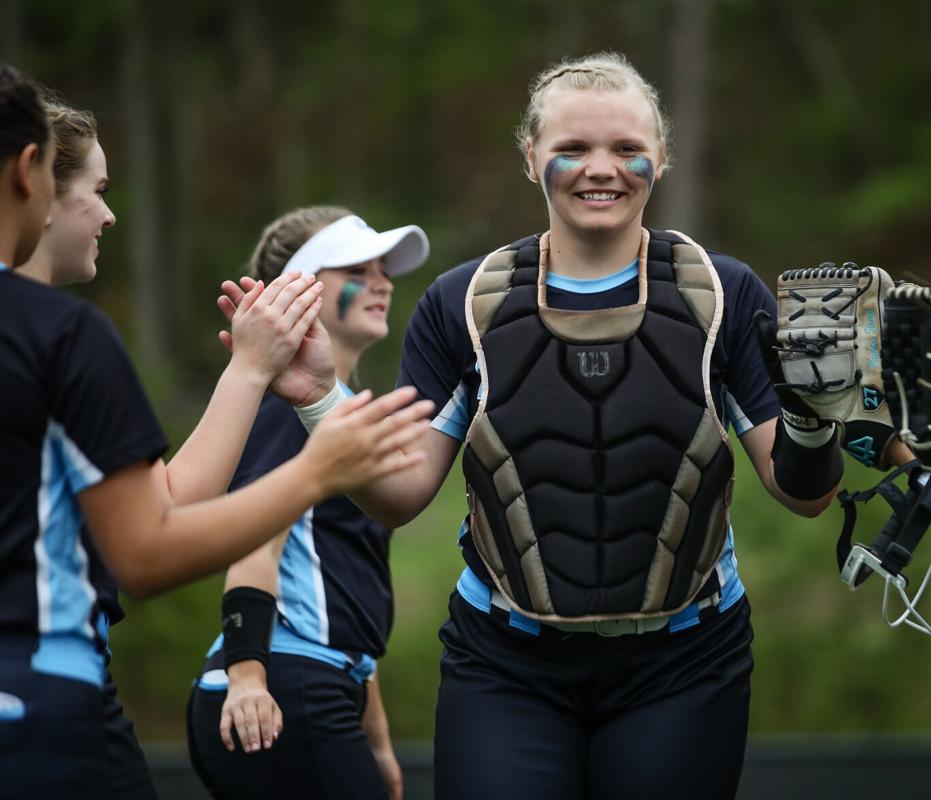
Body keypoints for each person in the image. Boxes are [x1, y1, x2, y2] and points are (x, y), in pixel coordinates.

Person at [259, 52, 844, 799]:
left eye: (627, 148)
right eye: (573, 148)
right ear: (531, 157)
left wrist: (816, 415)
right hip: (507, 662)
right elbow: (400, 494)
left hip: (685, 660)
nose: (602, 168)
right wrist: (316, 394)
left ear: (660, 158)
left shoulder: (720, 293)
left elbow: (803, 492)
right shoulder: (462, 303)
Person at [0, 65, 432, 797]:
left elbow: (165, 498)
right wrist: (317, 471)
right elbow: (153, 544)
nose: (110, 215)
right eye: (100, 192)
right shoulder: (63, 337)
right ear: (30, 169)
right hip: (44, 695)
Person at [187, 206, 429, 800]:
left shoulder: (337, 410)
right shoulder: (284, 402)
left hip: (320, 683)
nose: (383, 282)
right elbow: (253, 543)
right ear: (300, 290)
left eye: (383, 270)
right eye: (358, 269)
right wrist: (247, 677)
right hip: (276, 685)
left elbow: (347, 586)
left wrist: (375, 741)